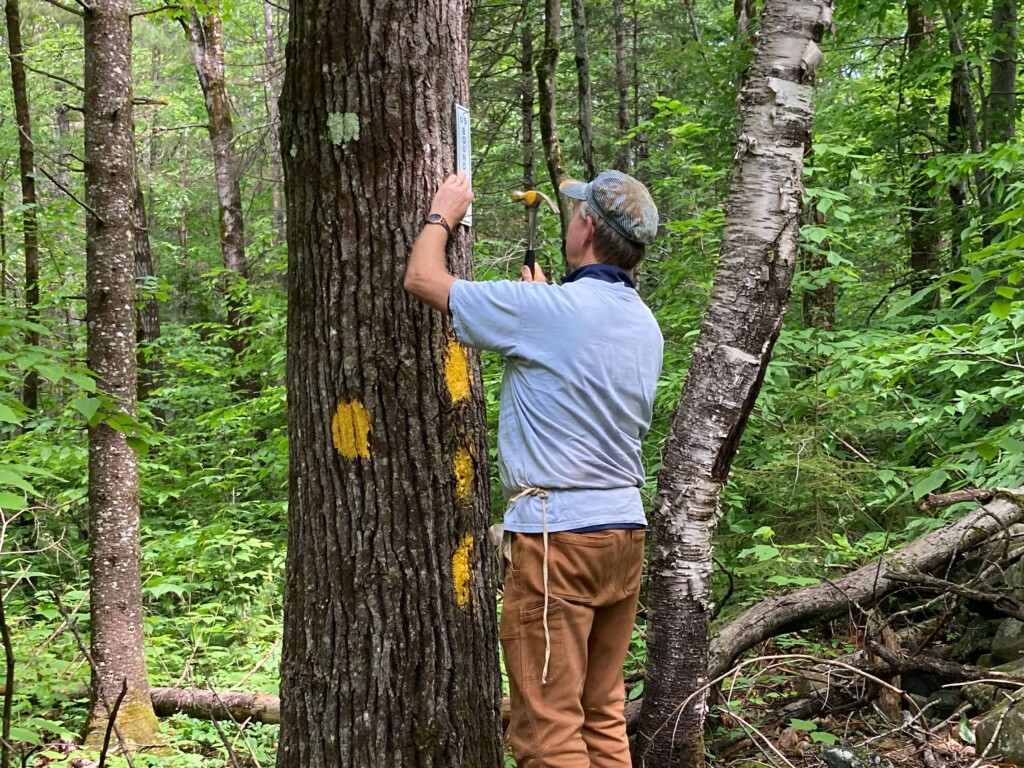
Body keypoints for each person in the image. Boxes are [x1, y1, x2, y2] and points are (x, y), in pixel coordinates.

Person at [404, 169, 663, 768]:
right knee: (601, 711)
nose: (570, 221)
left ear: (588, 228)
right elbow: (573, 356)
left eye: (575, 214)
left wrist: (442, 212)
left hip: (559, 538)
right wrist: (545, 299)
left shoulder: (547, 312)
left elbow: (422, 278)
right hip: (623, 532)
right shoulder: (641, 322)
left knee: (547, 731)